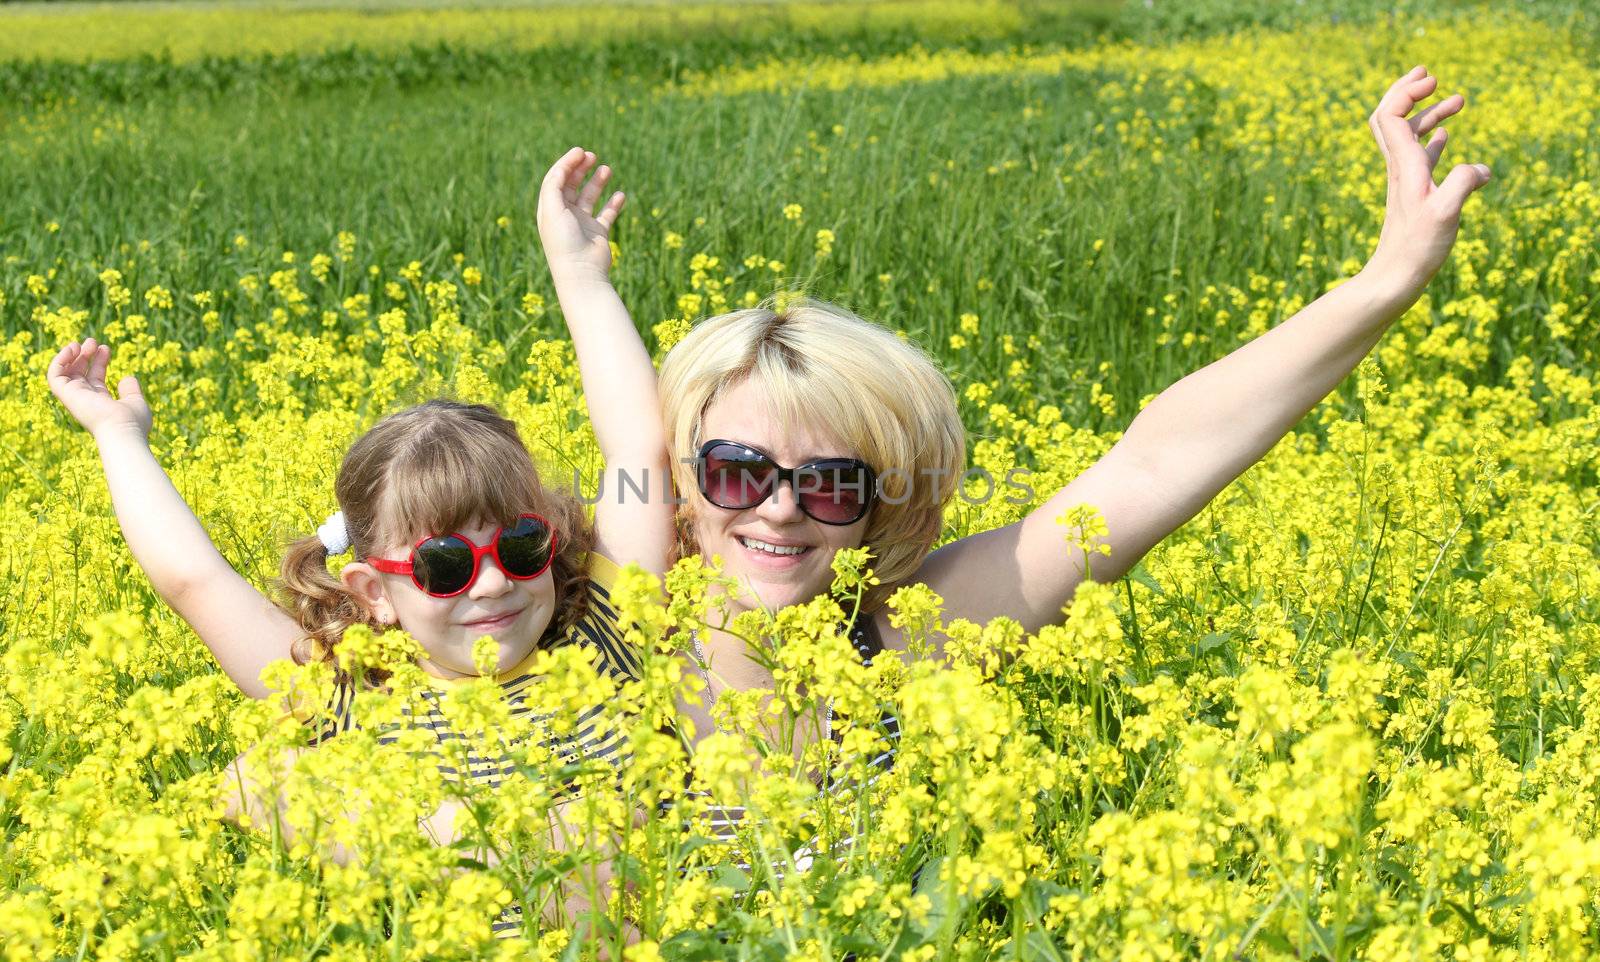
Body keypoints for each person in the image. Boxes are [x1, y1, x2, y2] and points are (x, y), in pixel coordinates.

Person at [653, 67, 1492, 859]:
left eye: (834, 483)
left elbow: (1152, 468)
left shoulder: (908, 643)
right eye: (739, 469)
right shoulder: (608, 642)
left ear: (882, 510)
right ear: (687, 480)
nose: (780, 508)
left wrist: (1388, 279)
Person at [43, 146, 668, 933]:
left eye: (518, 548)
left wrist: (580, 277)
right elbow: (194, 580)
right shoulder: (355, 690)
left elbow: (637, 454)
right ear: (374, 591)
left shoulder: (603, 629)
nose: (491, 584)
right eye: (443, 566)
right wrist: (117, 435)